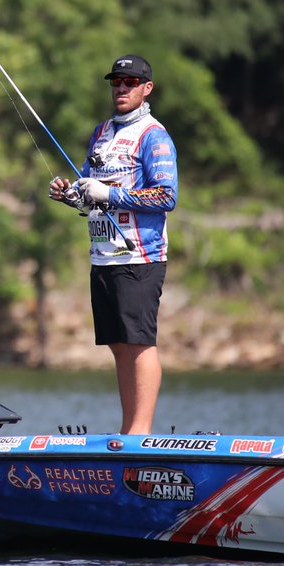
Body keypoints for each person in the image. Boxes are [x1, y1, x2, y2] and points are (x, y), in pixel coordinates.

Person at [48, 55, 178, 435]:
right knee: (119, 345)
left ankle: (140, 432)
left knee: (139, 343)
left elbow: (166, 196)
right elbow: (90, 190)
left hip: (140, 255)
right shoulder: (102, 131)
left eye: (130, 82)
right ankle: (128, 429)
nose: (121, 88)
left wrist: (112, 193)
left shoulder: (154, 135)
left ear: (146, 88)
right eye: (116, 82)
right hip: (103, 256)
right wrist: (72, 194)